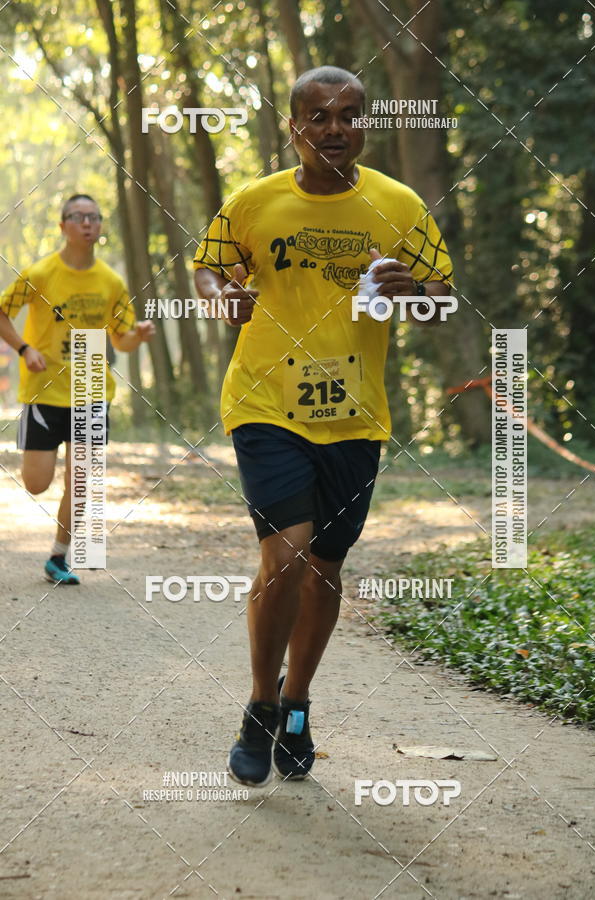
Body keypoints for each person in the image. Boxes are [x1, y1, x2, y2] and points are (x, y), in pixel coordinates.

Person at [193, 67, 453, 787]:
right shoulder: (254, 202)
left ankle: (297, 701)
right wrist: (221, 297)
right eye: (319, 116)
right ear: (294, 127)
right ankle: (259, 705)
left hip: (355, 415)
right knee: (288, 555)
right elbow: (208, 268)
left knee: (325, 568)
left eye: (349, 115)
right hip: (265, 403)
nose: (334, 128)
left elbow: (441, 299)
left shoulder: (399, 205)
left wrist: (416, 292)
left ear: (364, 124)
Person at [0, 193, 155, 585]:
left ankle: (58, 556)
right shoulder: (39, 274)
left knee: (81, 479)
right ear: (62, 226)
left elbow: (121, 340)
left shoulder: (111, 282)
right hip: (44, 391)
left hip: (91, 388)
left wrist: (137, 335)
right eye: (78, 216)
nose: (88, 223)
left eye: (94, 217)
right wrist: (24, 348)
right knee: (37, 484)